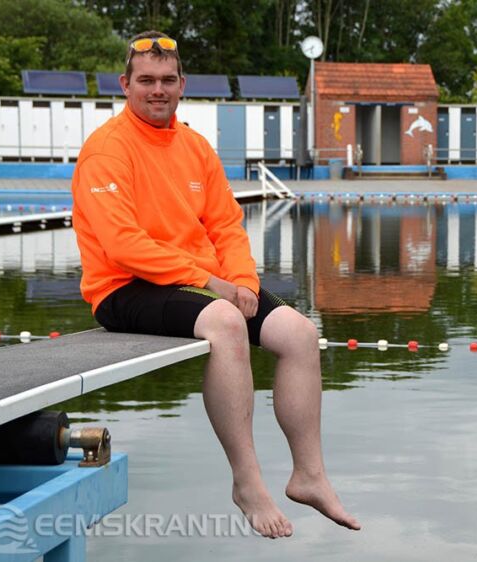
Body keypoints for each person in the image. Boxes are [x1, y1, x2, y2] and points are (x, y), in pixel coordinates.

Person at [71, 31, 360, 539]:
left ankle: (309, 475)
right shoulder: (107, 151)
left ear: (182, 85)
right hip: (124, 287)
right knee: (225, 321)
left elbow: (226, 225)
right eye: (146, 81)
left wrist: (243, 280)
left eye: (167, 80)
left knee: (299, 334)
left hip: (200, 282)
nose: (157, 90)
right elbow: (121, 244)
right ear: (125, 85)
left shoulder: (195, 147)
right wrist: (213, 284)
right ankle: (247, 481)